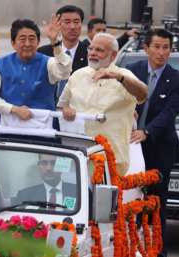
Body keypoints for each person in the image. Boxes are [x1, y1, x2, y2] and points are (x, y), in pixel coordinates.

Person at [127, 29, 179, 257]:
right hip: (130, 146)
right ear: (146, 48)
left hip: (159, 147)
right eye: (157, 47)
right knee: (129, 197)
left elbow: (168, 113)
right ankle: (127, 246)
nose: (161, 52)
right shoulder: (131, 72)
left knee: (156, 200)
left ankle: (157, 250)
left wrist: (147, 131)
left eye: (166, 48)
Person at [58, 32, 148, 176]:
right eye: (91, 49)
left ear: (113, 56)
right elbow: (61, 106)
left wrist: (119, 78)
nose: (92, 53)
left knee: (103, 199)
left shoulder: (123, 75)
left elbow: (143, 94)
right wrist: (66, 109)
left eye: (99, 50)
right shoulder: (78, 75)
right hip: (75, 157)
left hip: (110, 160)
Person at [0, 17, 72, 120]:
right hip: (8, 130)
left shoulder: (48, 63)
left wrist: (55, 43)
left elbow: (64, 72)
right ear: (13, 43)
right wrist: (13, 109)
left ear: (38, 42)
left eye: (32, 39)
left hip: (44, 129)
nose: (27, 44)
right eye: (22, 39)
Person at [37, 5, 87, 101]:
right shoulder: (43, 52)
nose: (72, 27)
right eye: (67, 22)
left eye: (76, 22)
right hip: (49, 108)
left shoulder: (90, 52)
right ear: (58, 24)